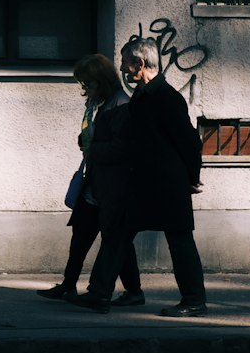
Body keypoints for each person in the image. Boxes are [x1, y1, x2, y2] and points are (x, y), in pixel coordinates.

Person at [85, 35, 207, 317]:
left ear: (139, 63)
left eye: (126, 63)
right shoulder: (143, 95)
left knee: (179, 240)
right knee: (119, 232)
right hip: (145, 181)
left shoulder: (165, 98)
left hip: (167, 183)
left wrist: (192, 177)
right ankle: (99, 293)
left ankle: (194, 300)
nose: (123, 68)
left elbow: (189, 141)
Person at [37, 53, 142, 306]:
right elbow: (96, 136)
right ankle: (69, 284)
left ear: (101, 80)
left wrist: (91, 148)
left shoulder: (120, 105)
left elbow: (121, 148)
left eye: (88, 83)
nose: (85, 89)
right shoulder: (100, 103)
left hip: (110, 186)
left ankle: (129, 291)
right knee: (85, 234)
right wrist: (84, 140)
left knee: (115, 240)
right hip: (95, 182)